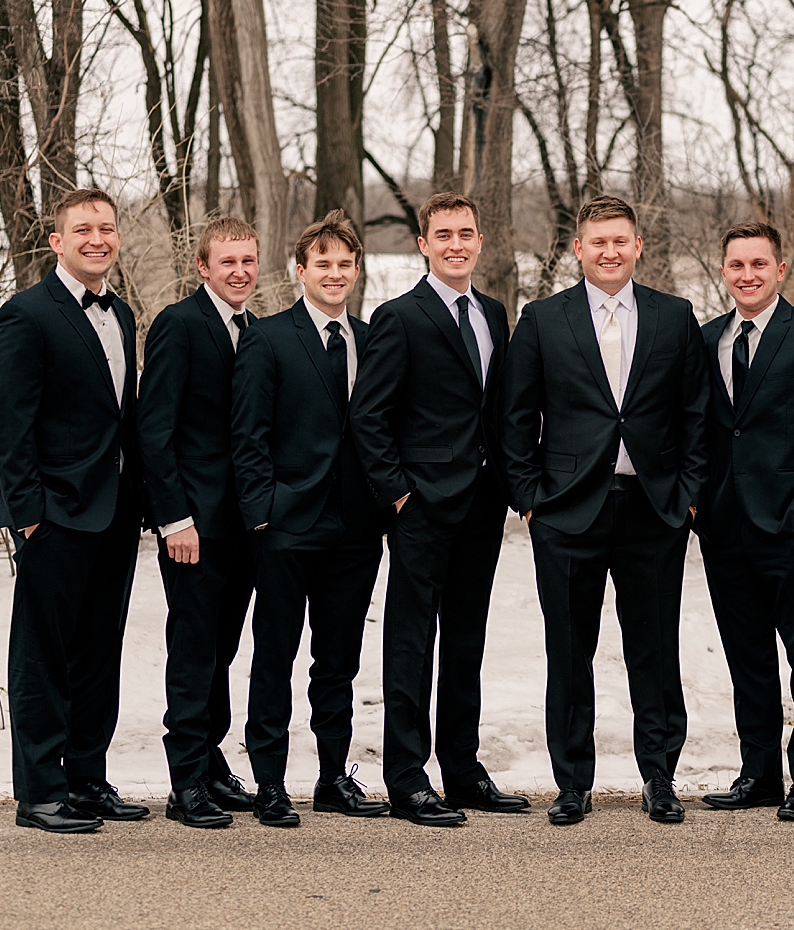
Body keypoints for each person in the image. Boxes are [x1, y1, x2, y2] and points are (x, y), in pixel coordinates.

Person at [498, 195, 710, 826]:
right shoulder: (542, 319)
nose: (610, 252)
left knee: (654, 649)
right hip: (566, 514)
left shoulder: (674, 317)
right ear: (578, 250)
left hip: (653, 510)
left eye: (621, 241)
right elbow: (514, 418)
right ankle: (572, 783)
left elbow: (696, 413)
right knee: (569, 650)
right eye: (598, 242)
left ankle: (660, 777)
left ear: (638, 246)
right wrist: (530, 499)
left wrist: (689, 495)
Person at [349, 192, 525, 826]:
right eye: (443, 234)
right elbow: (368, 417)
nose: (456, 244)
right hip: (421, 507)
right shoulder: (400, 316)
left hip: (482, 504)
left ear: (480, 241)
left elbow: (495, 409)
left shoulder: (494, 312)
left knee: (466, 643)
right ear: (423, 244)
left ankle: (462, 769)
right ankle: (406, 778)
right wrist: (399, 494)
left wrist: (509, 485)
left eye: (466, 233)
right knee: (410, 643)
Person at [0, 188, 148, 833]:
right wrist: (28, 513)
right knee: (43, 653)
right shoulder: (25, 315)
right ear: (57, 241)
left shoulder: (123, 315)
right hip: (53, 513)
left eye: (106, 228)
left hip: (113, 513)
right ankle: (40, 791)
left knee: (98, 651)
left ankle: (86, 778)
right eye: (82, 229)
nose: (97, 239)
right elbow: (12, 423)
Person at [231, 209, 387, 827]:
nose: (334, 274)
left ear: (356, 271)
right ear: (300, 271)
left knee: (338, 661)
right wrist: (263, 511)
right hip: (287, 526)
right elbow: (247, 436)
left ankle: (331, 777)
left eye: (344, 264)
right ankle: (270, 782)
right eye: (322, 264)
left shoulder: (371, 338)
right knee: (274, 654)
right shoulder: (268, 338)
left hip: (355, 529)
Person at [696, 223, 794, 822]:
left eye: (759, 263)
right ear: (723, 271)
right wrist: (698, 507)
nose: (748, 274)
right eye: (736, 264)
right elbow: (704, 431)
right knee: (748, 658)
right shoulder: (707, 338)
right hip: (724, 528)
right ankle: (759, 772)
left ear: (780, 269)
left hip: (792, 526)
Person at [138, 217, 261, 828]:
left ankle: (211, 763)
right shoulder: (179, 325)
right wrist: (174, 519)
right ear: (203, 268)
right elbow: (153, 431)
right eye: (227, 261)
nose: (239, 271)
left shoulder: (257, 330)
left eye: (248, 260)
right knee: (192, 651)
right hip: (193, 527)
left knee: (223, 649)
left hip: (244, 527)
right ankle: (184, 781)